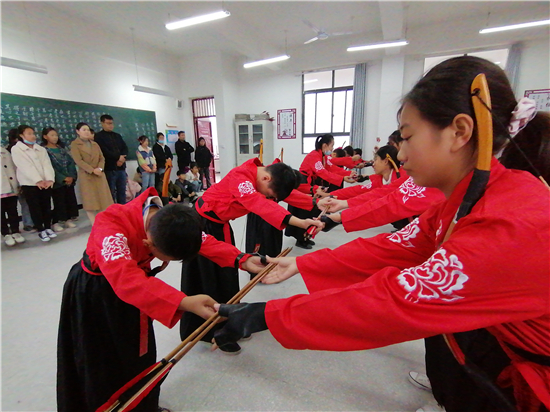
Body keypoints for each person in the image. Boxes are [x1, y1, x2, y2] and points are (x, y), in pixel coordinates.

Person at [212, 56, 550, 412]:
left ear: (460, 132)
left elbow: (392, 301)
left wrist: (267, 314)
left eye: (407, 137)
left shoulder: (511, 224)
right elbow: (390, 247)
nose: (399, 154)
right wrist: (303, 265)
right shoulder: (468, 199)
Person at [56, 186, 266, 412]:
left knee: (139, 355)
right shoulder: (111, 225)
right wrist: (183, 302)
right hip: (96, 297)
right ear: (148, 243)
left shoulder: (166, 218)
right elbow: (125, 278)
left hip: (140, 291)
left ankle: (143, 406)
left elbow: (203, 240)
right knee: (103, 362)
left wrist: (242, 259)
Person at [180, 158, 322, 354]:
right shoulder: (241, 177)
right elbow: (258, 202)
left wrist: (314, 202)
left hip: (219, 226)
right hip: (203, 227)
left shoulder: (264, 177)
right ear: (266, 178)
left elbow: (276, 198)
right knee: (208, 281)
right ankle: (209, 331)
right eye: (269, 194)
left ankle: (230, 320)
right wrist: (300, 222)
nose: (267, 197)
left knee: (227, 276)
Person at [286, 134, 356, 249]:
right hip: (304, 184)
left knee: (311, 212)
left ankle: (306, 236)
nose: (332, 149)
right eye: (331, 146)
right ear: (324, 145)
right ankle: (300, 239)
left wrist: (347, 174)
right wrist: (342, 178)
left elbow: (332, 168)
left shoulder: (323, 157)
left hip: (311, 184)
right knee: (304, 212)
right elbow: (322, 172)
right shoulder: (314, 156)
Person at [11, 125, 56, 242]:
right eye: (29, 133)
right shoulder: (17, 149)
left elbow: (47, 164)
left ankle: (48, 227)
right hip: (30, 184)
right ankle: (40, 229)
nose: (33, 136)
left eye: (33, 133)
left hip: (45, 183)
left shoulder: (40, 149)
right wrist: (38, 180)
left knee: (46, 206)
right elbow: (25, 166)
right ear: (21, 135)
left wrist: (49, 179)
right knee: (35, 208)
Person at [70, 122, 113, 225]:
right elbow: (78, 161)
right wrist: (92, 170)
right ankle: (95, 224)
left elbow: (102, 158)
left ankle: (104, 222)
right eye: (84, 130)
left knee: (103, 200)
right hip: (87, 175)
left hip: (99, 175)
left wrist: (100, 169)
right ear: (78, 131)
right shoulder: (75, 144)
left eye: (88, 130)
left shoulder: (95, 144)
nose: (87, 132)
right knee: (90, 202)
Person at [41, 127, 79, 232]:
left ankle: (67, 219)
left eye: (56, 135)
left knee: (69, 200)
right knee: (58, 202)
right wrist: (62, 178)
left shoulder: (62, 149)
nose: (55, 137)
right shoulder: (44, 150)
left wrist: (71, 176)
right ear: (45, 137)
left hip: (68, 181)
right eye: (52, 135)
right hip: (56, 181)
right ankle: (56, 222)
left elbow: (71, 163)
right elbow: (49, 167)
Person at [94, 114, 128, 204]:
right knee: (111, 192)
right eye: (108, 123)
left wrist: (122, 159)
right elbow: (104, 151)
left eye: (112, 123)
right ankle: (113, 210)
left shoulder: (117, 136)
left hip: (121, 168)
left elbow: (125, 148)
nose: (111, 125)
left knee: (122, 191)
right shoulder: (98, 136)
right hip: (109, 168)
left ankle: (122, 208)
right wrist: (118, 158)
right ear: (102, 123)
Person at [1, 145, 25, 246]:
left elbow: (13, 167)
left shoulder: (4, 151)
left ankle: (15, 231)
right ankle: (5, 233)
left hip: (10, 187)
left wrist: (17, 183)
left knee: (12, 211)